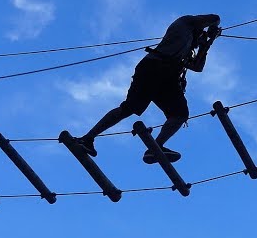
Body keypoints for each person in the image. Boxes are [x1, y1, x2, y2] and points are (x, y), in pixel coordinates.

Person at [71, 13, 222, 163]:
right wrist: (212, 29)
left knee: (180, 114)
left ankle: (155, 148)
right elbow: (215, 18)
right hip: (154, 67)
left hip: (168, 77)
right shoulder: (185, 24)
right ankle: (88, 138)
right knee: (129, 107)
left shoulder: (188, 49)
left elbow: (197, 67)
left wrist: (206, 45)